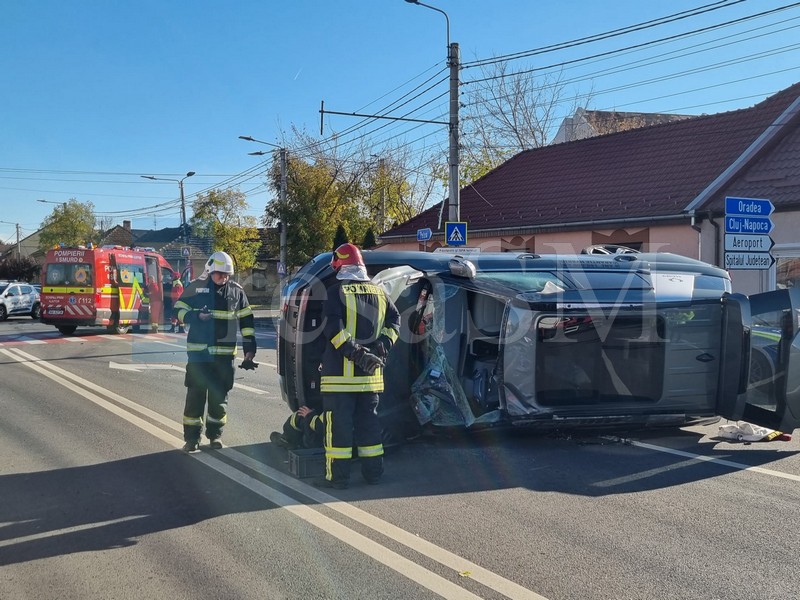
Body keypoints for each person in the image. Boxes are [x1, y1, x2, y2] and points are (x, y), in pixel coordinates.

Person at [315, 243, 400, 489]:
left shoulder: (335, 292)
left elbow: (334, 331)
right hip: (371, 379)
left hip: (339, 379)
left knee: (339, 430)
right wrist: (380, 348)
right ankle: (373, 474)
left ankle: (337, 478)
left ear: (339, 265)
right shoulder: (380, 292)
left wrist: (357, 354)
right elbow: (395, 321)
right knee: (369, 427)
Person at [173, 251, 257, 453]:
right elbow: (177, 309)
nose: (224, 278)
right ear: (210, 271)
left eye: (227, 274)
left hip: (224, 357)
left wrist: (249, 349)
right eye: (220, 274)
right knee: (195, 398)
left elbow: (247, 321)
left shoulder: (236, 292)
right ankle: (192, 439)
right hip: (199, 356)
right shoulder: (195, 287)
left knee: (219, 400)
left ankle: (215, 436)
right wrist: (194, 316)